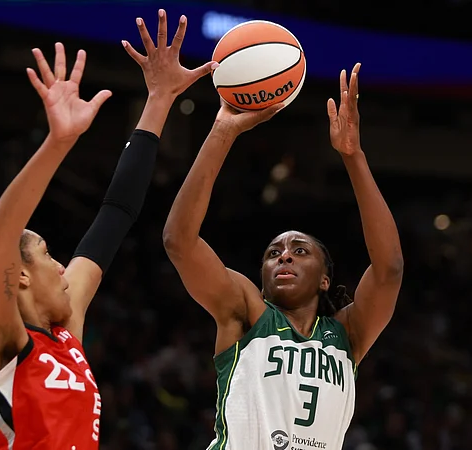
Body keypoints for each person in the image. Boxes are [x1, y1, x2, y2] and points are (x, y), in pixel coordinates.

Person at [0, 10, 216, 449]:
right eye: (48, 253)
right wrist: (58, 143)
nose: (64, 265)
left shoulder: (68, 326)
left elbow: (116, 212)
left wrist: (159, 99)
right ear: (20, 273)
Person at [162, 64, 403, 450]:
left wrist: (353, 156)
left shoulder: (346, 336)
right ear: (262, 277)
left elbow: (389, 269)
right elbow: (179, 241)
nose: (284, 257)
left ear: (325, 279)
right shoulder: (246, 311)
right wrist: (222, 132)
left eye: (299, 251)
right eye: (273, 253)